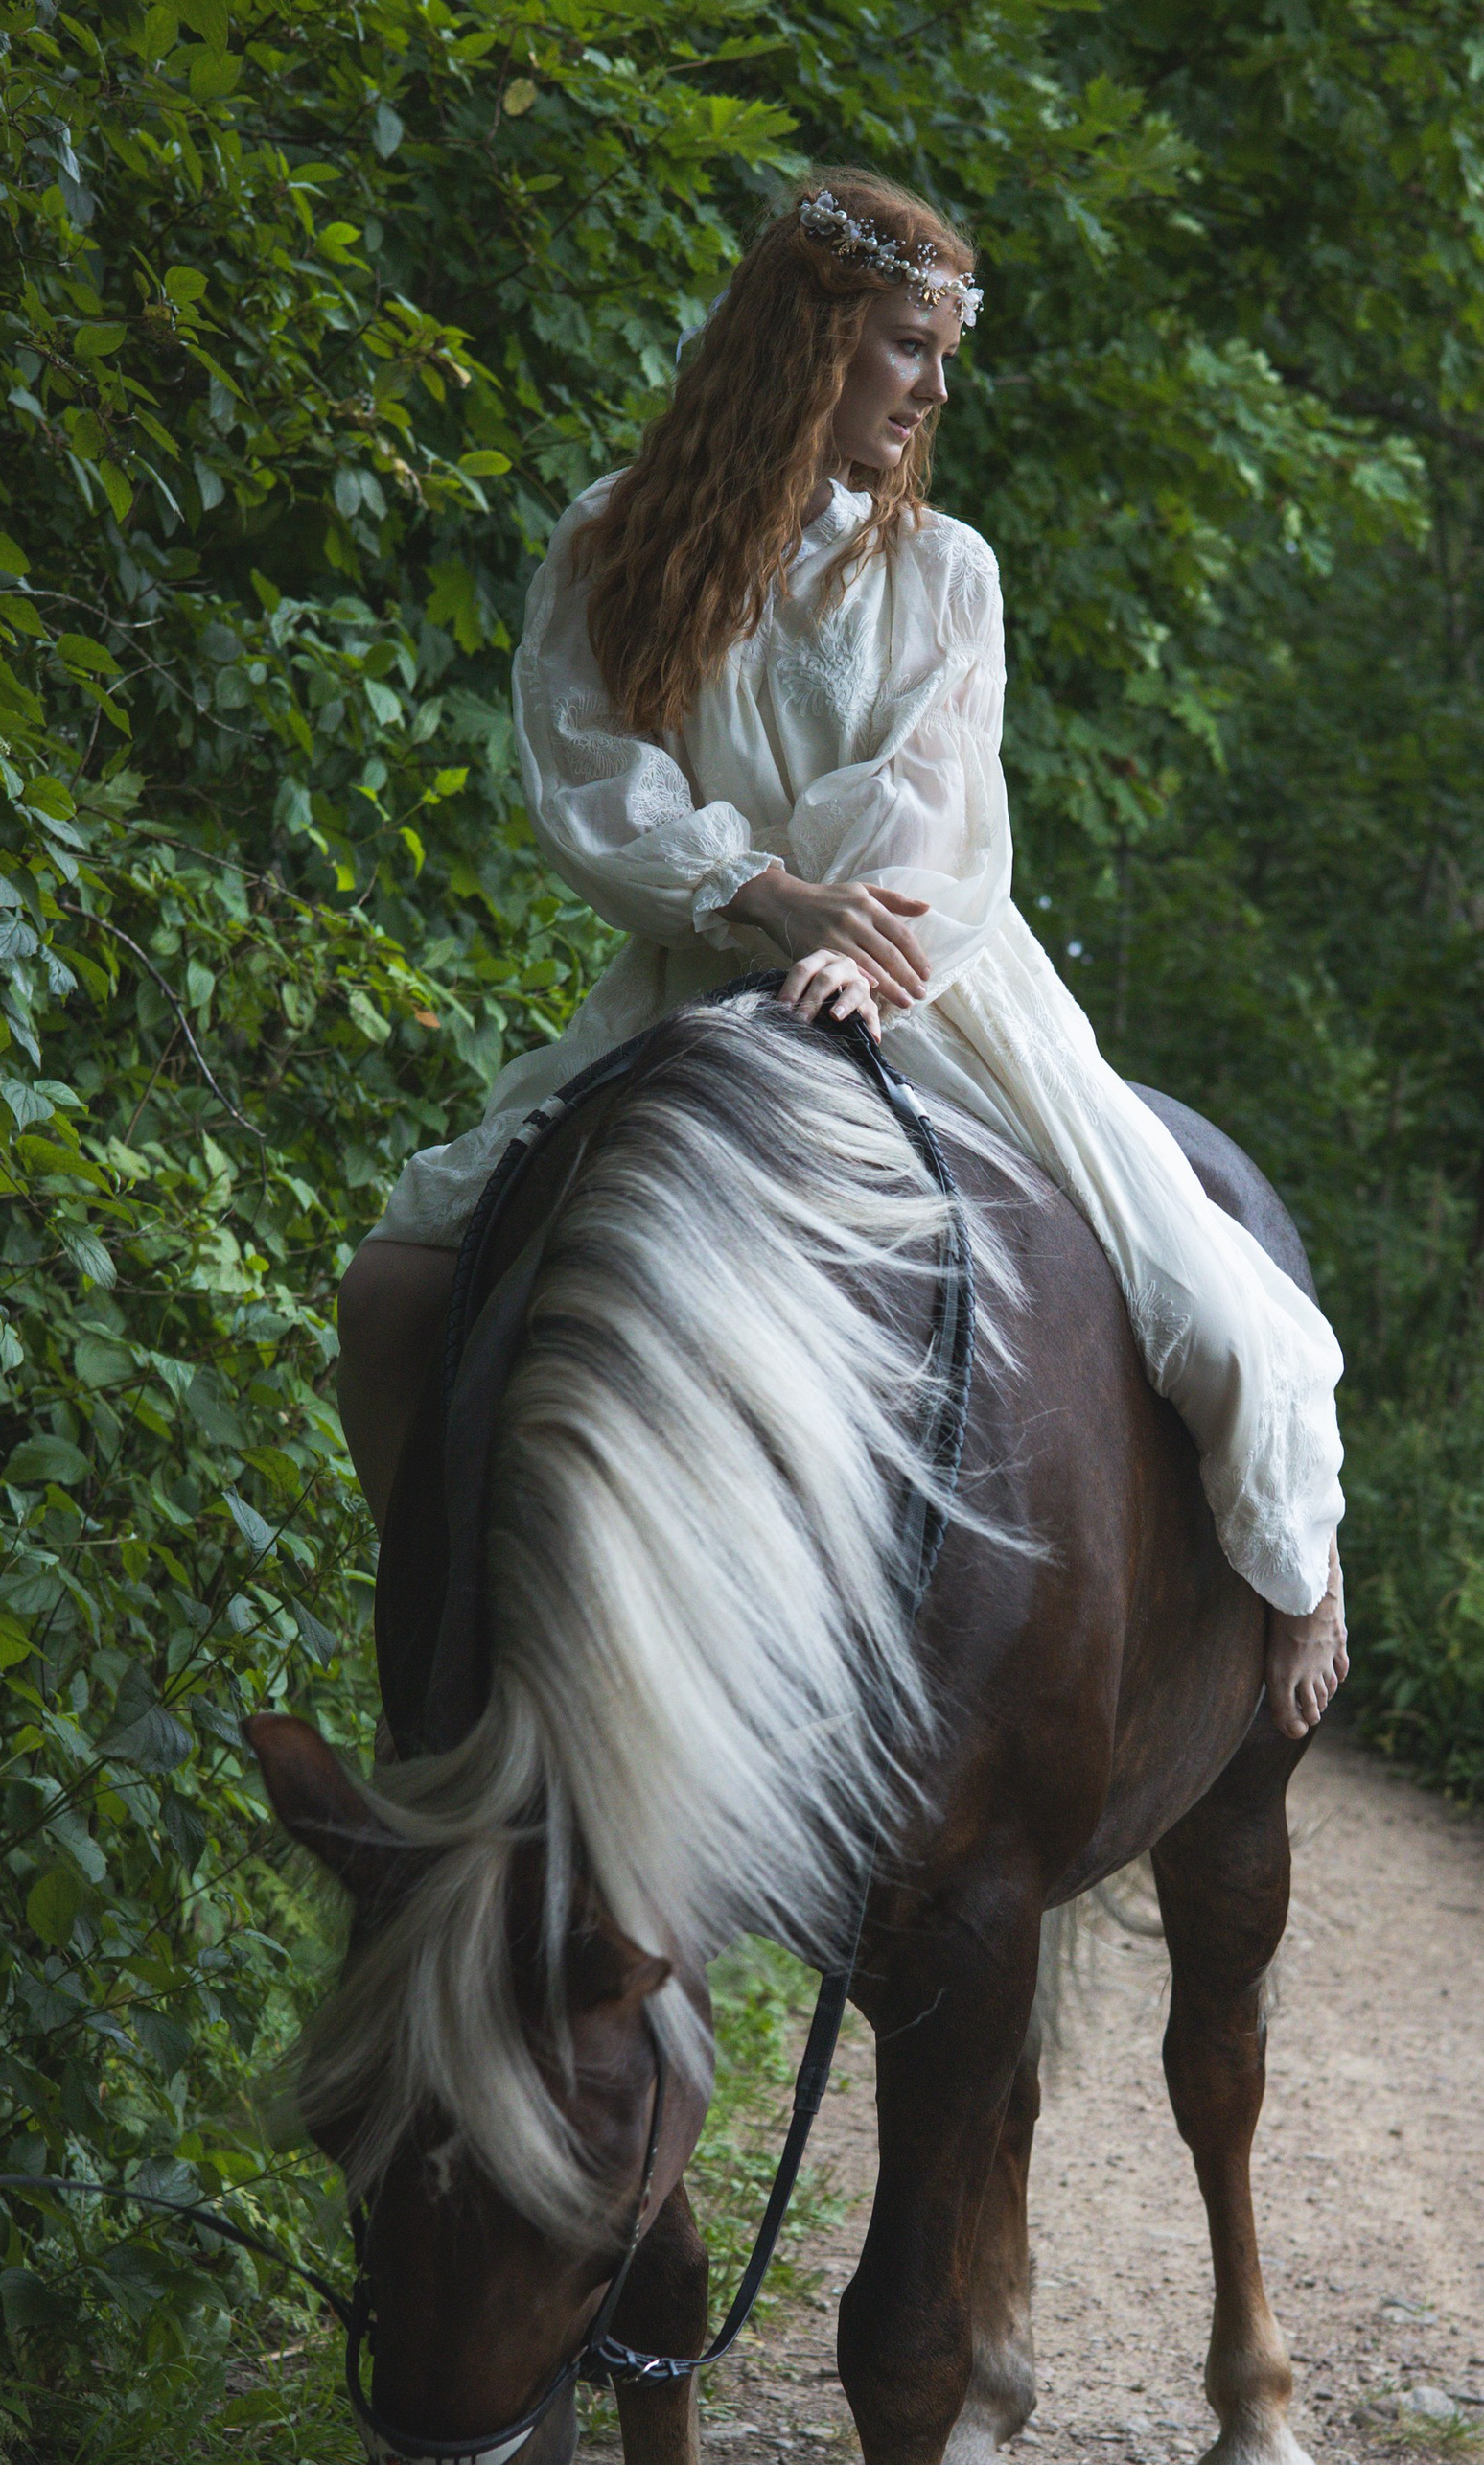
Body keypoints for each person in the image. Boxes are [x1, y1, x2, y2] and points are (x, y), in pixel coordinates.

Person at [337, 168, 1349, 1740]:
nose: (935, 388)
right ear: (813, 345)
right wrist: (757, 895)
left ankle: (1298, 1564)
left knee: (1206, 1307)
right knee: (397, 1291)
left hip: (927, 977)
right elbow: (596, 777)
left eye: (944, 354)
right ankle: (465, 1662)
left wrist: (845, 935)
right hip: (706, 974)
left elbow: (934, 811)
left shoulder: (945, 572)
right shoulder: (617, 541)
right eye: (906, 345)